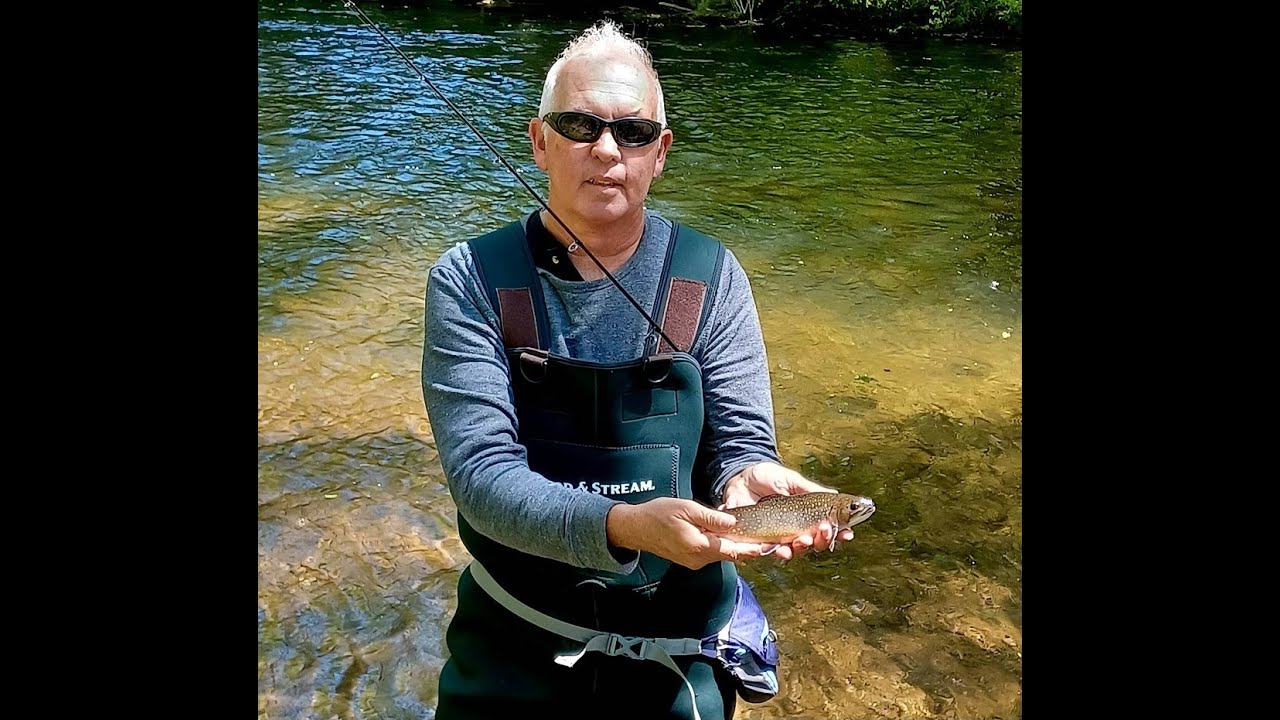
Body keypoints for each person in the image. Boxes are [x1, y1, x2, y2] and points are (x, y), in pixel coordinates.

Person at [420, 20, 856, 720]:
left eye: (632, 132)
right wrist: (627, 524)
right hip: (511, 650)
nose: (605, 150)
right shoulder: (469, 280)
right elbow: (482, 481)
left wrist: (749, 479)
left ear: (661, 153)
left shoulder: (712, 278)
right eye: (577, 124)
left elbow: (738, 444)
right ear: (538, 142)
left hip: (678, 662)